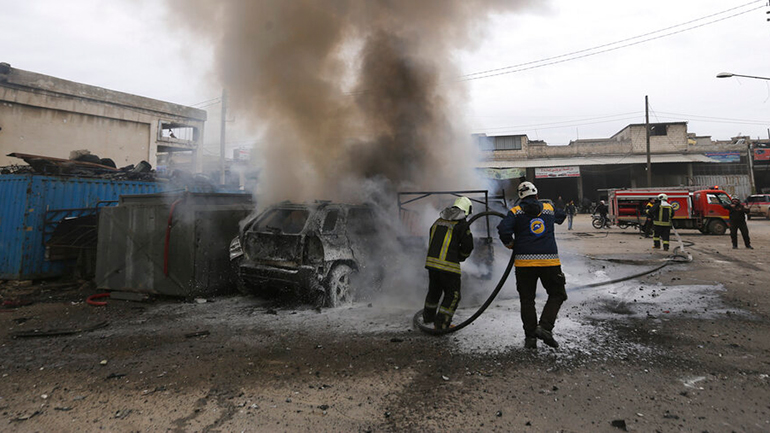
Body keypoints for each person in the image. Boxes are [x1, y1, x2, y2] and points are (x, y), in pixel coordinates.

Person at [497, 181, 567, 349]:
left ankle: (530, 339)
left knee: (527, 300)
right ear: (536, 195)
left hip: (524, 263)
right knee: (557, 294)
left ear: (520, 197)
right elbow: (562, 216)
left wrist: (511, 244)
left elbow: (503, 230)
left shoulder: (515, 212)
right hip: (550, 262)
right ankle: (544, 327)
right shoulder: (548, 209)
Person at [423, 197, 475, 330]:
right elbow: (468, 246)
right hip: (449, 266)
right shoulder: (462, 224)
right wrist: (461, 257)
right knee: (453, 296)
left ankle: (428, 318)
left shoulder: (438, 221)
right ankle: (441, 324)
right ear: (466, 210)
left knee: (434, 292)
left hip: (432, 265)